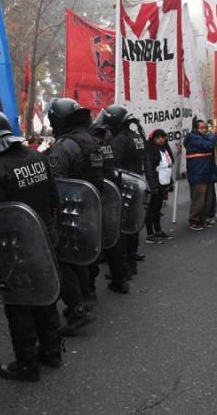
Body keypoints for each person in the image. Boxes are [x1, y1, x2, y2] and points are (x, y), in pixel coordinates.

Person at [0, 107, 62, 381]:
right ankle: (52, 351)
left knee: (19, 306)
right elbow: (54, 198)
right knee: (46, 297)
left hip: (16, 250)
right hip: (45, 240)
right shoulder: (37, 157)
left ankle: (26, 364)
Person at [45, 97, 101, 335]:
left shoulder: (65, 146)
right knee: (83, 255)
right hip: (91, 209)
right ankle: (87, 294)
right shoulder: (93, 141)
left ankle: (77, 309)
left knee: (64, 259)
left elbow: (56, 184)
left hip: (71, 211)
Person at [91, 108, 130, 294]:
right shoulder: (107, 143)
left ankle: (91, 289)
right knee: (115, 237)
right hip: (112, 192)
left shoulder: (94, 144)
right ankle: (120, 278)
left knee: (100, 237)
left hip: (100, 194)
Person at [104, 105, 148, 273]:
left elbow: (115, 165)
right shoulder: (136, 136)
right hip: (137, 183)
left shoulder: (120, 140)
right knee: (133, 222)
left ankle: (126, 265)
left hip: (124, 186)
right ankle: (132, 257)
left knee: (122, 226)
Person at [184, 119, 217, 230]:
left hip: (206, 172)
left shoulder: (203, 137)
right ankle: (194, 220)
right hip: (197, 173)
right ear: (195, 129)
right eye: (201, 128)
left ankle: (203, 218)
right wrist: (213, 136)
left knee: (208, 199)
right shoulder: (192, 138)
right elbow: (207, 146)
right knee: (199, 198)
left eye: (205, 128)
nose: (204, 130)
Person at [144, 129, 174, 243]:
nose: (161, 139)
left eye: (163, 137)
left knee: (157, 209)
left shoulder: (165, 150)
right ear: (153, 139)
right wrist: (153, 186)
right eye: (158, 137)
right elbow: (149, 170)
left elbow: (167, 167)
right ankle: (150, 234)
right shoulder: (151, 151)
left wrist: (170, 183)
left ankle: (158, 231)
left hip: (163, 184)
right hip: (155, 185)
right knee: (151, 209)